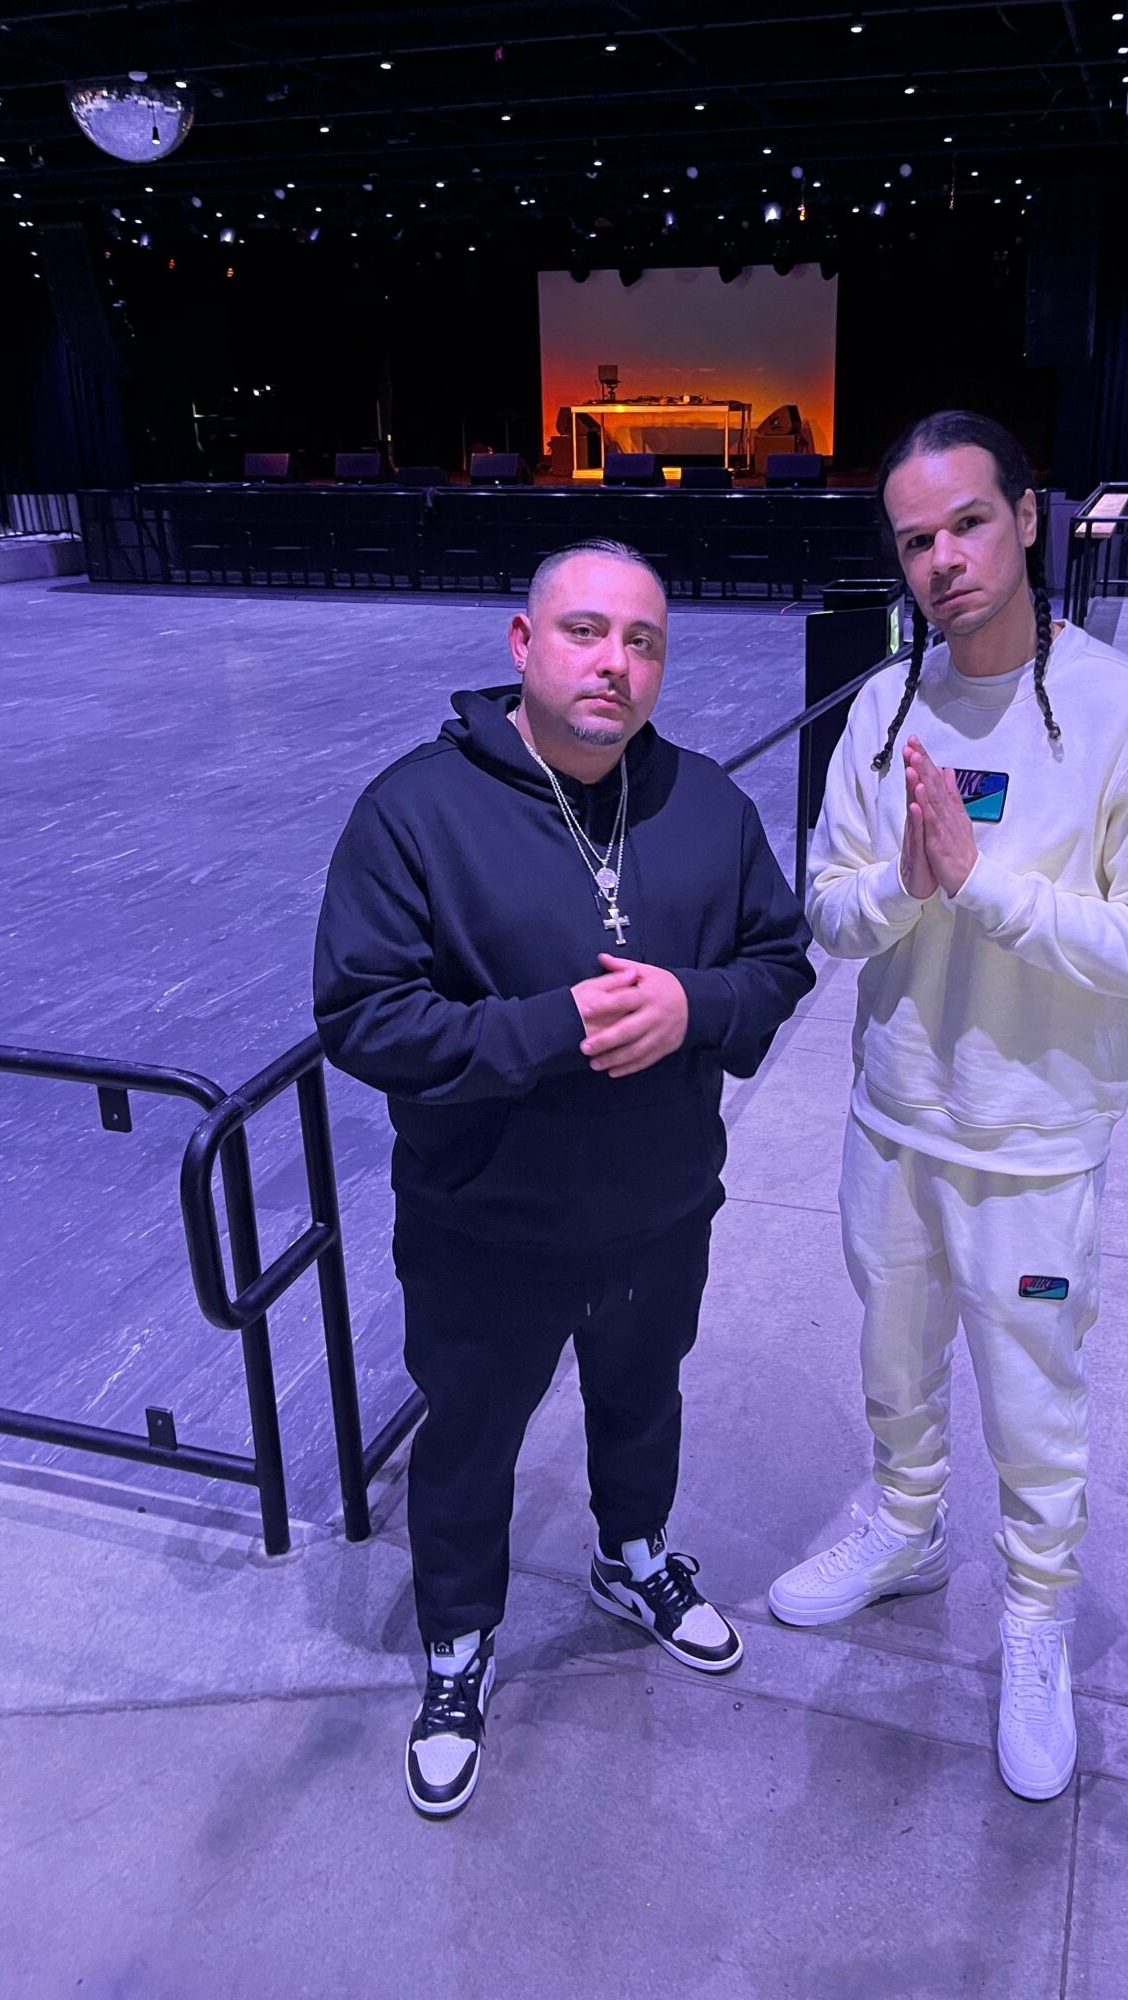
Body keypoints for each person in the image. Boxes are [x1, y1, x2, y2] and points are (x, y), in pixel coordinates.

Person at [314, 539, 814, 1819]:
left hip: (660, 1204)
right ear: (523, 644)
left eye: (644, 640)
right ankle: (459, 1635)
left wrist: (696, 1005)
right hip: (485, 1220)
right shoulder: (414, 810)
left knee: (642, 1401)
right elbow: (363, 1014)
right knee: (471, 1439)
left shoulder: (706, 802)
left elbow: (778, 961)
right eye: (586, 631)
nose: (616, 662)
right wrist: (552, 1028)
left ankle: (631, 1553)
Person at [767, 410, 1128, 1801]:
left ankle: (1035, 1615)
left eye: (966, 522)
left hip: (1035, 1140)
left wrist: (982, 885)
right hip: (894, 1116)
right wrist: (908, 882)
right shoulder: (880, 713)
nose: (943, 559)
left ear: (1026, 517)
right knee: (893, 1364)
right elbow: (830, 912)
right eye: (915, 540)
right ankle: (904, 1527)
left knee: (1034, 1401)